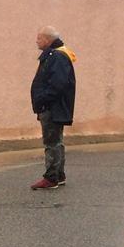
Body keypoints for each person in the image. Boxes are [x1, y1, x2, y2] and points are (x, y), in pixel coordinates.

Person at [29, 26, 77, 190]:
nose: (36, 41)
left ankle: (51, 177)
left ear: (48, 40)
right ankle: (59, 174)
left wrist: (43, 99)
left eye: (39, 38)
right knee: (57, 142)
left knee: (52, 142)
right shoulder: (56, 55)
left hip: (52, 107)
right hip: (53, 106)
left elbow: (58, 83)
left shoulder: (56, 56)